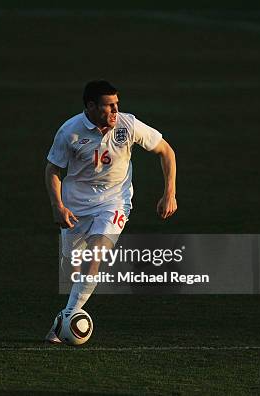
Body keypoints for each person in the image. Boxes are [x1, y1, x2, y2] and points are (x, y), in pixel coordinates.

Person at [44, 80, 177, 343]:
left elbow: (166, 151)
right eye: (109, 106)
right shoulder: (69, 132)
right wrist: (58, 206)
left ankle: (67, 317)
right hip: (75, 207)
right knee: (73, 265)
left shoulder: (128, 125)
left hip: (114, 202)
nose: (116, 110)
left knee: (96, 255)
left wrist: (169, 194)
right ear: (91, 107)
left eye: (117, 104)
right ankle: (66, 318)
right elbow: (52, 170)